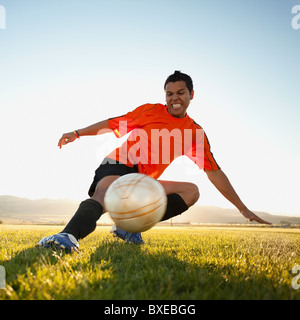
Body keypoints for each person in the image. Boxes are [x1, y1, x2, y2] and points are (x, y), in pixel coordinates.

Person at [37, 71, 271, 252]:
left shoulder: (195, 133)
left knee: (191, 191)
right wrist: (77, 133)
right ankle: (67, 237)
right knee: (105, 195)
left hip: (143, 182)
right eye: (169, 94)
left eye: (180, 92)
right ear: (165, 96)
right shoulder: (149, 111)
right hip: (118, 164)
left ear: (191, 94)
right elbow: (112, 124)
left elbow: (215, 172)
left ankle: (128, 227)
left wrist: (242, 208)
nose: (174, 98)